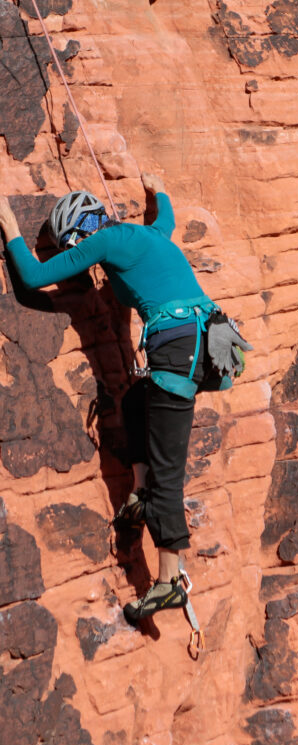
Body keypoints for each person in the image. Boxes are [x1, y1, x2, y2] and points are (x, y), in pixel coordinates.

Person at [0, 174, 252, 623]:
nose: (80, 261)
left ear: (78, 232)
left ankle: (169, 579)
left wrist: (7, 222)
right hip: (205, 342)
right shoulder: (147, 234)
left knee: (168, 476)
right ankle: (138, 493)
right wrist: (158, 192)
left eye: (72, 248)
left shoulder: (106, 241)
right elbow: (166, 219)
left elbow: (36, 277)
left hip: (179, 349)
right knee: (136, 402)